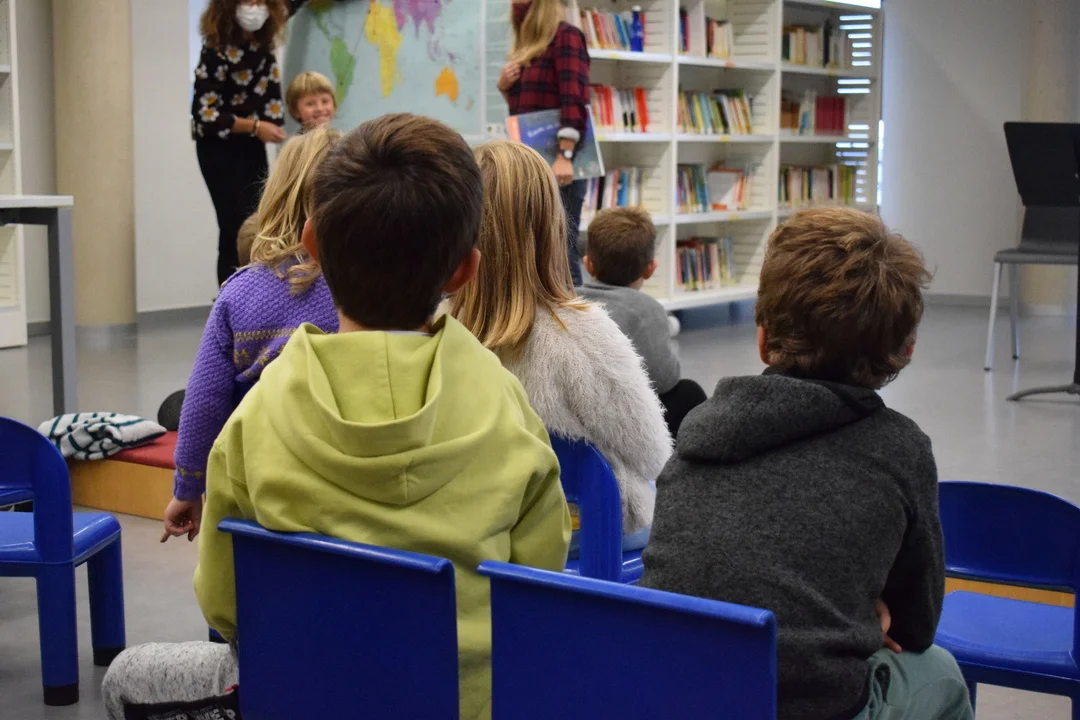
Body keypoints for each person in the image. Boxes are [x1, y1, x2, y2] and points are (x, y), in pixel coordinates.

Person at [102, 114, 571, 720]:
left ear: (313, 244)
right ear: (463, 270)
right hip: (465, 700)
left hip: (300, 691)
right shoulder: (506, 404)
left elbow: (223, 602)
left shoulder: (258, 412)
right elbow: (538, 578)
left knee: (125, 679)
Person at [641, 208, 972, 720]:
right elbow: (916, 627)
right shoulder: (901, 449)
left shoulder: (701, 426)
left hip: (669, 694)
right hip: (814, 706)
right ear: (905, 349)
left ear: (762, 336)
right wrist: (866, 616)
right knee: (942, 674)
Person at [449, 140, 670, 550]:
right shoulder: (581, 335)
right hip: (588, 536)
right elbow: (652, 453)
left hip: (484, 528)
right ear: (551, 226)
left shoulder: (442, 328)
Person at [162, 127, 340, 544]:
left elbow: (205, 400)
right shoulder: (364, 288)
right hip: (338, 481)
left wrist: (187, 487)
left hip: (256, 482)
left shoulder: (238, 292)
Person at [193, 0, 307, 286]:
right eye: (248, 0)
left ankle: (258, 291)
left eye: (260, 0)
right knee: (232, 225)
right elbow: (205, 114)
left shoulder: (262, 42)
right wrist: (255, 126)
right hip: (217, 147)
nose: (255, 7)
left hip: (251, 144)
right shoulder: (216, 49)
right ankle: (230, 296)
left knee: (259, 219)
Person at [578, 207, 708, 438]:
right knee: (689, 392)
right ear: (650, 269)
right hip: (622, 425)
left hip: (575, 416)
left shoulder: (568, 301)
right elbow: (665, 380)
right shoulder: (647, 309)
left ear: (588, 264)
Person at [499, 0, 591, 285]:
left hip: (561, 163)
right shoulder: (529, 47)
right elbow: (525, 114)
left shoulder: (566, 36)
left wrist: (565, 154)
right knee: (535, 251)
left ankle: (575, 314)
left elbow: (574, 98)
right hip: (534, 163)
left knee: (561, 252)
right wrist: (505, 89)